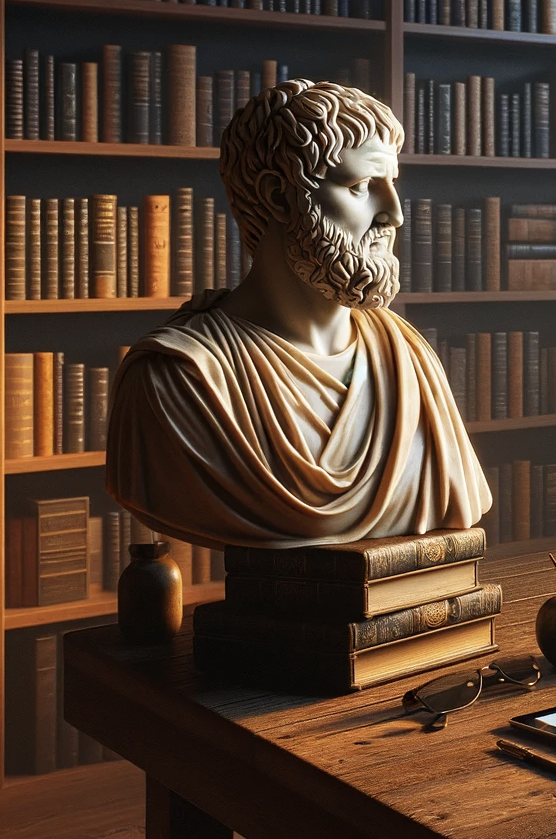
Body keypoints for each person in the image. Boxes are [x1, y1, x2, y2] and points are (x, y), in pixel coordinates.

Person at [106, 80, 491, 549]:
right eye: (361, 186)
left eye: (393, 185)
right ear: (279, 197)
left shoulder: (410, 359)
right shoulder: (178, 378)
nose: (394, 214)